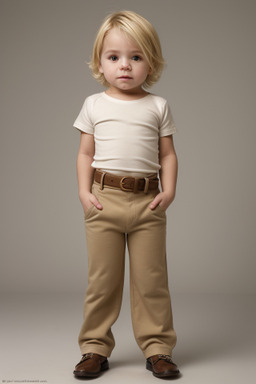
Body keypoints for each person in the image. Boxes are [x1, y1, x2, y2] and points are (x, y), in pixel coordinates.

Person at [72, 10, 180, 379]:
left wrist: (170, 191)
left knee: (152, 281)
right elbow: (85, 153)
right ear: (100, 62)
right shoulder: (94, 105)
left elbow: (167, 154)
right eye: (114, 57)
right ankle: (94, 348)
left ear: (151, 62)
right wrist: (84, 194)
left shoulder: (157, 106)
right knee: (102, 281)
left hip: (148, 203)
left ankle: (158, 349)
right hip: (104, 200)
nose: (125, 66)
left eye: (136, 57)